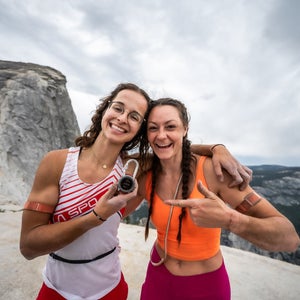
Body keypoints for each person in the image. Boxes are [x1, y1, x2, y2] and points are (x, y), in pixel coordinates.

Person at [20, 83, 251, 300]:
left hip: (109, 288)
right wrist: (95, 217)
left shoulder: (135, 168)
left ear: (139, 130)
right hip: (56, 286)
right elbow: (29, 247)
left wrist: (217, 148)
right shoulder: (58, 162)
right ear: (105, 109)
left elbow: (176, 147)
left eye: (134, 117)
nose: (122, 119)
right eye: (118, 108)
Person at [134, 98, 300, 300]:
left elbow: (289, 238)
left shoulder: (215, 172)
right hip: (158, 276)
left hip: (205, 286)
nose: (161, 135)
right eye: (153, 128)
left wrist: (231, 220)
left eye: (170, 126)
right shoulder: (145, 174)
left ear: (185, 129)